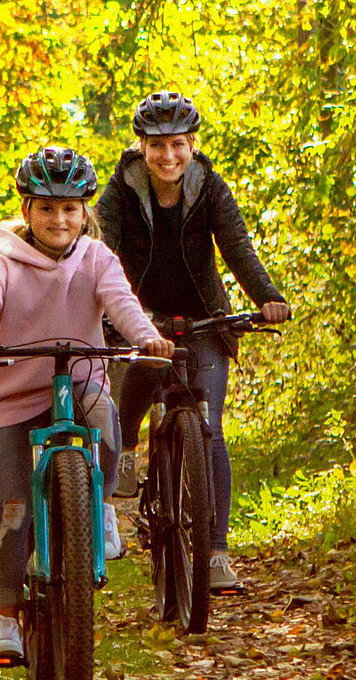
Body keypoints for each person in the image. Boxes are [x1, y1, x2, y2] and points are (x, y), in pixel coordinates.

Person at [0, 147, 176, 665]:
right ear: (26, 211)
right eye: (46, 208)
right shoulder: (2, 263)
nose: (59, 219)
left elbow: (122, 304)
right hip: (15, 395)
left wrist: (148, 339)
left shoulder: (97, 258)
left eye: (70, 208)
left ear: (85, 213)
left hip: (83, 381)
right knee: (15, 508)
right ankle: (6, 620)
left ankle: (105, 507)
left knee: (106, 421)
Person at [99, 92, 293, 595]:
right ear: (142, 146)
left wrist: (268, 297)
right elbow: (99, 254)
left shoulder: (209, 187)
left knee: (210, 431)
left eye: (178, 145)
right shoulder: (120, 191)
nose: (169, 157)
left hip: (205, 316)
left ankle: (216, 553)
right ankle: (127, 446)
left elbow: (237, 247)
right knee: (145, 364)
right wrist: (105, 311)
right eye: (158, 146)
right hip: (138, 313)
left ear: (192, 145)